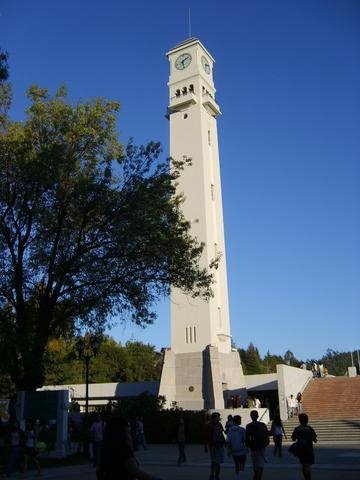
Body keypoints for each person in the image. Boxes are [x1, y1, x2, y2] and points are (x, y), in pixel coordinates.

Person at [97, 415, 163, 480]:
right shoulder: (123, 450)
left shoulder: (106, 449)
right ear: (122, 433)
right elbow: (136, 472)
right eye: (128, 432)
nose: (130, 435)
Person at [291, 413, 317, 480]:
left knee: (304, 465)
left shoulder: (297, 429)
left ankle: (307, 478)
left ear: (299, 420)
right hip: (309, 449)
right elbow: (315, 440)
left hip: (301, 450)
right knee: (307, 466)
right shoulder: (310, 428)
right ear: (307, 420)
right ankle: (308, 478)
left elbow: (293, 438)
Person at [245, 410, 269, 480]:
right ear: (258, 416)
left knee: (255, 464)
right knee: (261, 464)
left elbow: (247, 438)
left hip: (253, 448)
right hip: (262, 447)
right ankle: (259, 477)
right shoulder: (263, 425)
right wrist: (265, 444)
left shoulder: (248, 426)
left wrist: (249, 446)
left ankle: (256, 475)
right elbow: (266, 435)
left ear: (251, 416)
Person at [205, 412, 226, 480]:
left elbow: (207, 437)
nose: (219, 418)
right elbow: (221, 434)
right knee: (217, 461)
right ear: (215, 417)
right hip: (217, 445)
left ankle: (212, 475)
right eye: (218, 417)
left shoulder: (209, 425)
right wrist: (224, 442)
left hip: (213, 445)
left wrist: (206, 446)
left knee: (214, 461)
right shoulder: (217, 424)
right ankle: (216, 476)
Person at [226, 415, 246, 480]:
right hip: (242, 450)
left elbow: (228, 441)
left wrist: (229, 450)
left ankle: (237, 477)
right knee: (242, 464)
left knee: (236, 464)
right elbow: (244, 439)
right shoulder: (242, 429)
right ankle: (241, 477)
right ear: (238, 421)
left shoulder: (230, 430)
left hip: (234, 450)